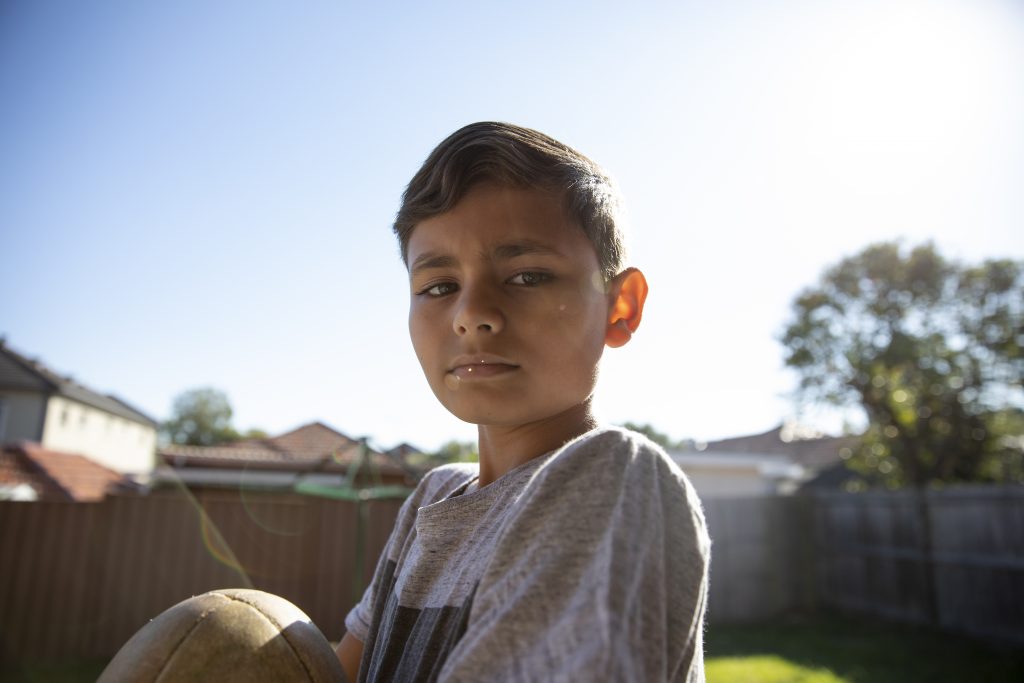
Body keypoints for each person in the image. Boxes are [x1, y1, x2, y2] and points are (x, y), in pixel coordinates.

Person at [335, 122, 711, 682]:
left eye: (527, 275)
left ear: (620, 306)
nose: (471, 313)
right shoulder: (430, 503)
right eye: (438, 286)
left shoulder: (615, 476)